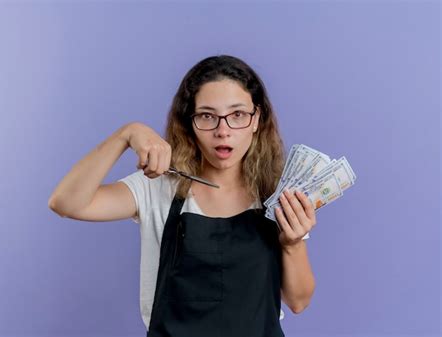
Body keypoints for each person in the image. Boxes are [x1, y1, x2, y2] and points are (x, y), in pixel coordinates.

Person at [48, 55, 316, 337]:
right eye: (207, 116)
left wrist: (292, 244)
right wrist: (127, 134)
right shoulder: (157, 187)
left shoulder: (277, 194)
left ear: (256, 120)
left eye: (237, 115)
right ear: (189, 122)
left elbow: (298, 302)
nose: (222, 131)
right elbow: (65, 203)